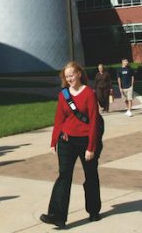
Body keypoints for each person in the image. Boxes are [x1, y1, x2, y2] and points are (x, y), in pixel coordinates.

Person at [41, 62, 102, 229]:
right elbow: (59, 119)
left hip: (85, 141)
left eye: (72, 75)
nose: (69, 79)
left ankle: (94, 210)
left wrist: (91, 147)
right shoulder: (63, 95)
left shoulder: (89, 94)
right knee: (63, 176)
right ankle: (57, 216)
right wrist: (54, 141)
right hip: (67, 141)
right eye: (66, 77)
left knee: (90, 175)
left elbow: (94, 123)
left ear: (79, 74)